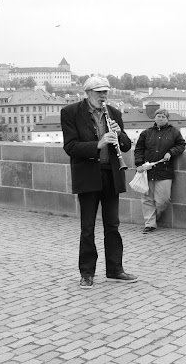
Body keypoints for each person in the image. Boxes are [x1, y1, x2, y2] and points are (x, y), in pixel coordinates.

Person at [61, 76, 137, 289]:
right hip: (87, 175)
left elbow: (126, 146)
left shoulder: (114, 113)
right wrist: (99, 143)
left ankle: (115, 269)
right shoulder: (70, 113)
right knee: (87, 227)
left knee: (112, 225)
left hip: (111, 174)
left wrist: (119, 134)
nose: (103, 97)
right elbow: (71, 147)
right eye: (99, 93)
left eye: (105, 92)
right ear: (88, 93)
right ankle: (87, 273)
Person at [134, 108, 186, 234]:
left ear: (167, 118)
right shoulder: (146, 133)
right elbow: (139, 149)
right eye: (158, 116)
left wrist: (171, 152)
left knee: (163, 200)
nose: (160, 118)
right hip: (148, 171)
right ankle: (150, 224)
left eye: (163, 116)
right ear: (154, 118)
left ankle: (155, 216)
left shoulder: (174, 132)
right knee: (147, 198)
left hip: (164, 171)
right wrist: (139, 164)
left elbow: (181, 145)